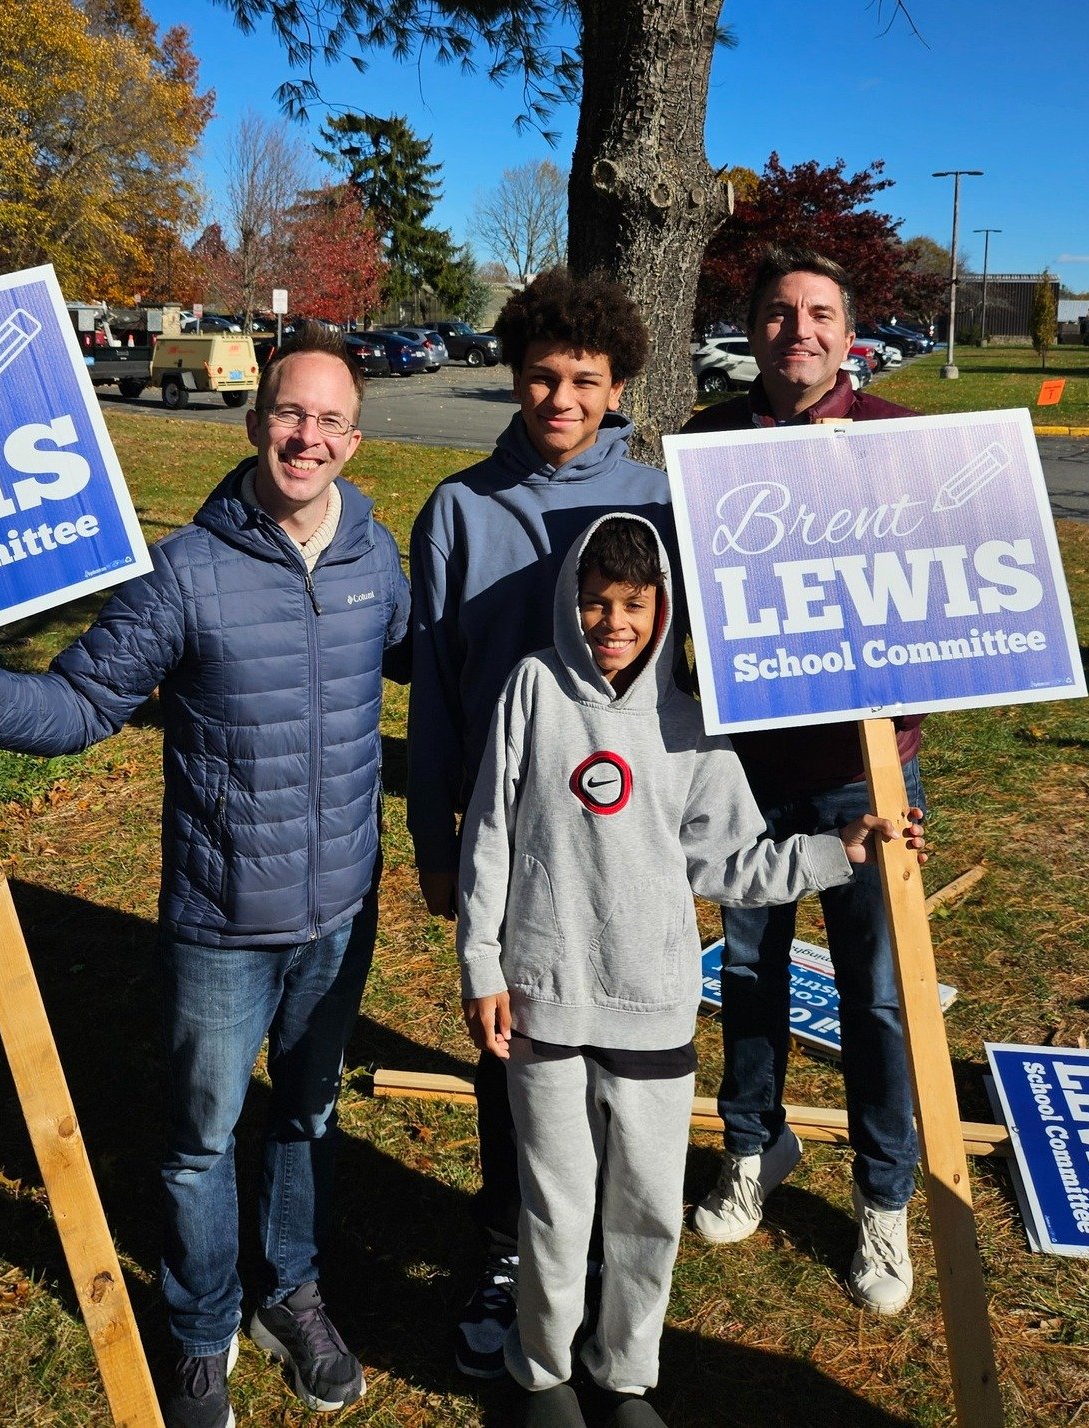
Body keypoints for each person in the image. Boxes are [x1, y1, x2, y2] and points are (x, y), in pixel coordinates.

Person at [0, 328, 410, 1428]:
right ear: (258, 420)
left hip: (340, 912)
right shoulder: (187, 571)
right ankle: (205, 1328)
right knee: (200, 1141)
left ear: (355, 442)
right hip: (222, 921)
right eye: (288, 413)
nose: (305, 436)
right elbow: (80, 707)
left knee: (305, 1119)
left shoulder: (378, 556)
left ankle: (291, 1294)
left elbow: (425, 655)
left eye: (328, 421)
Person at [456, 514, 923, 1428]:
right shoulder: (533, 692)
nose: (613, 623)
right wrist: (482, 964)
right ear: (570, 603)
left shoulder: (692, 725)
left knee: (644, 1211)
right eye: (595, 603)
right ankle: (541, 1368)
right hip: (545, 1000)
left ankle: (624, 1374)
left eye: (634, 605)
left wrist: (840, 850)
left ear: (663, 609)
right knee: (554, 1206)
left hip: (654, 1010)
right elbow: (489, 842)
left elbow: (735, 863)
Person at [407, 269, 677, 1377]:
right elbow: (432, 689)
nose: (561, 398)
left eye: (585, 381)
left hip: (628, 839)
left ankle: (615, 1266)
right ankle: (509, 1246)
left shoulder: (662, 504)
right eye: (541, 377)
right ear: (515, 378)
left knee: (625, 1067)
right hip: (510, 843)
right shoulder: (461, 510)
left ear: (617, 390)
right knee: (511, 1052)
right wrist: (434, 836)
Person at [682, 245, 925, 1315]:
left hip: (866, 773)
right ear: (753, 329)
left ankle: (883, 1196)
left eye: (818, 313)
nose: (798, 331)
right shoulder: (706, 443)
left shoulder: (903, 444)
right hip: (748, 772)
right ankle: (754, 1143)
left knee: (875, 994)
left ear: (848, 330)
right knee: (748, 973)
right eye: (778, 314)